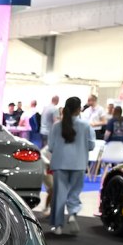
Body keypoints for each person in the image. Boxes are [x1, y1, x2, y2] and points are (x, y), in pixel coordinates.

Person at [47, 96, 95, 236]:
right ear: (79, 109)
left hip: (60, 163)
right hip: (79, 163)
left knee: (59, 195)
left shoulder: (57, 126)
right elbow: (91, 145)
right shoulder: (86, 126)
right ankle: (73, 213)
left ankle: (58, 226)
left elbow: (51, 147)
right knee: (74, 192)